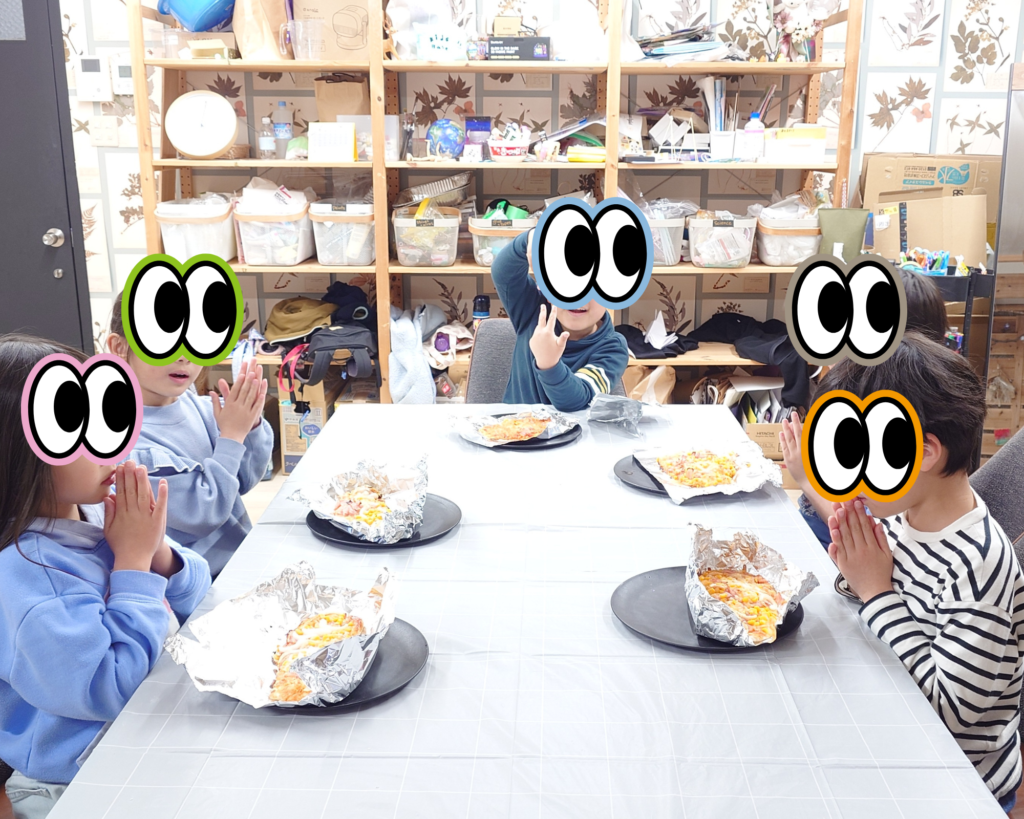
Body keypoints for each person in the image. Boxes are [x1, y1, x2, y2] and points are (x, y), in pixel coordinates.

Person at [782, 332, 1024, 812]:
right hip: (887, 713)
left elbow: (951, 713)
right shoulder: (902, 512)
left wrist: (876, 593)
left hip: (950, 781)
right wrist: (809, 483)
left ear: (925, 452)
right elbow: (863, 568)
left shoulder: (980, 568)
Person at [0, 335, 211, 819]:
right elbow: (108, 688)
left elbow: (199, 594)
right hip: (73, 783)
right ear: (19, 455)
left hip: (143, 736)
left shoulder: (95, 515)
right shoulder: (27, 578)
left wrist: (157, 553)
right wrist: (133, 562)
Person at [107, 292, 274, 577]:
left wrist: (251, 423)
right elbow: (205, 514)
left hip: (243, 559)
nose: (184, 356)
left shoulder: (194, 403)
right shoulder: (129, 445)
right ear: (120, 347)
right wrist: (232, 435)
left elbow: (244, 480)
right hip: (203, 583)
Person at [793, 269, 950, 546]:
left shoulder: (902, 418)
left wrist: (805, 477)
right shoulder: (868, 385)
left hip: (840, 548)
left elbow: (870, 536)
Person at [489, 229, 628, 412]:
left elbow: (576, 400)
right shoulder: (532, 309)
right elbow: (503, 272)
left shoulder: (613, 348)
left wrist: (549, 363)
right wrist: (530, 239)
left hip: (577, 430)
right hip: (515, 427)